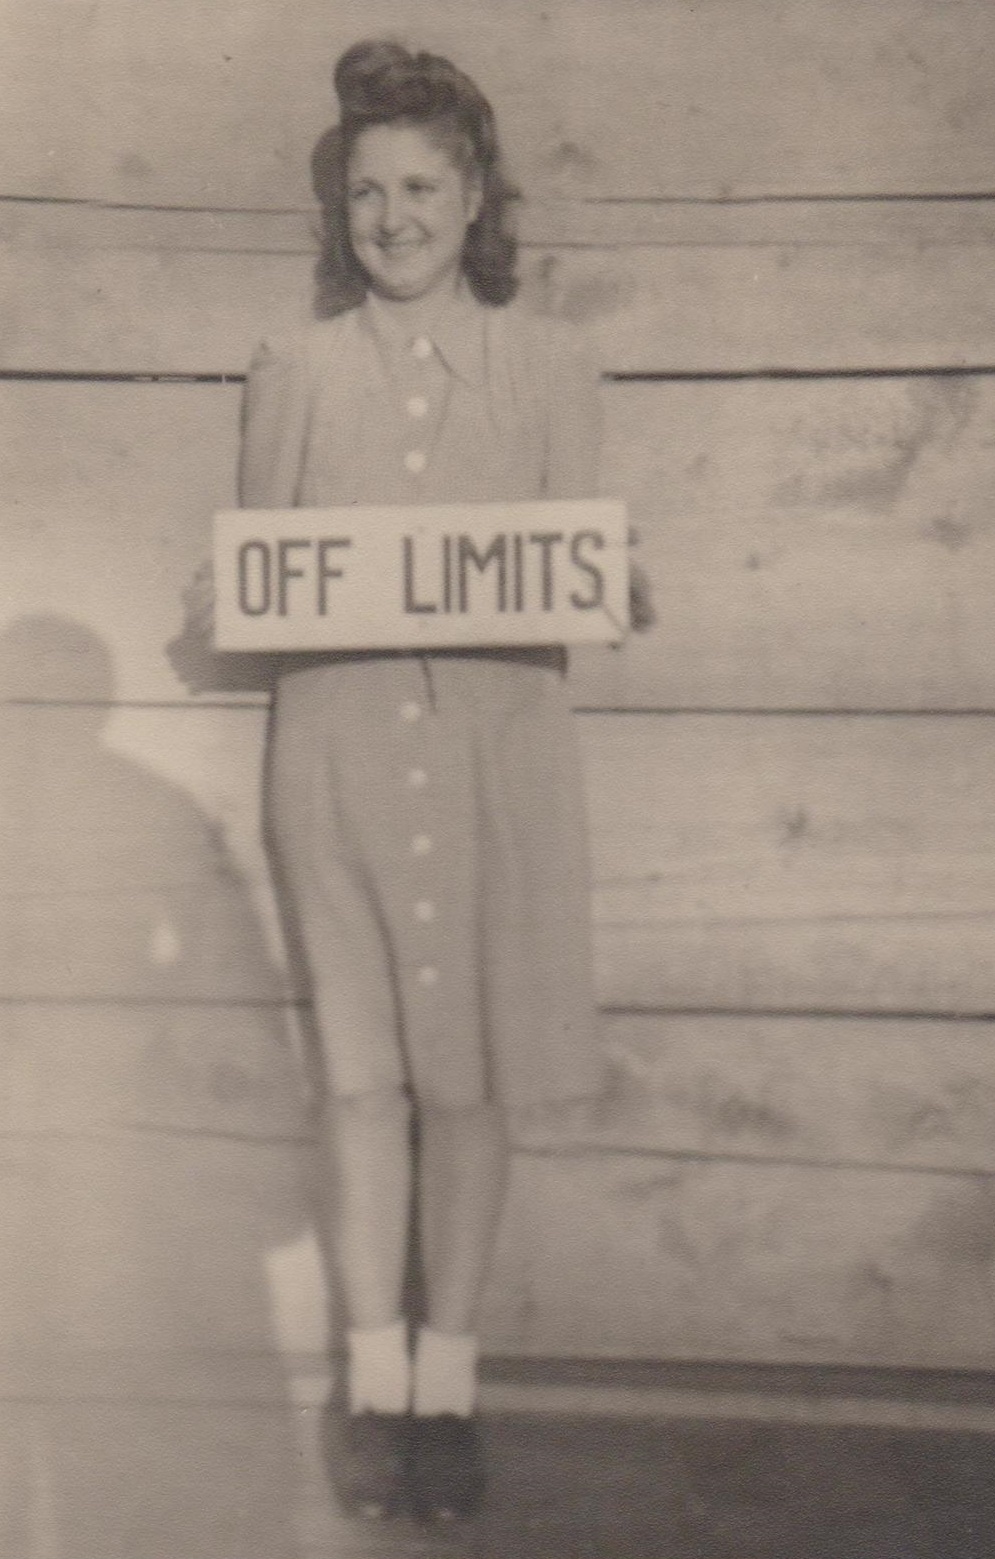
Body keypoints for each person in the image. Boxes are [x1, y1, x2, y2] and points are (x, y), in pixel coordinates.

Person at [188, 38, 650, 1522]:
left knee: (470, 1082)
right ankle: (372, 1378)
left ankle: (446, 1390)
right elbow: (258, 586)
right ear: (345, 211)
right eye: (368, 192)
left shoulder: (551, 366)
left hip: (494, 763)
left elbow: (582, 564)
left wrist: (619, 585)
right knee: (364, 1081)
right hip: (336, 766)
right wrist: (216, 608)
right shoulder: (297, 372)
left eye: (422, 186)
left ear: (474, 198)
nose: (392, 218)